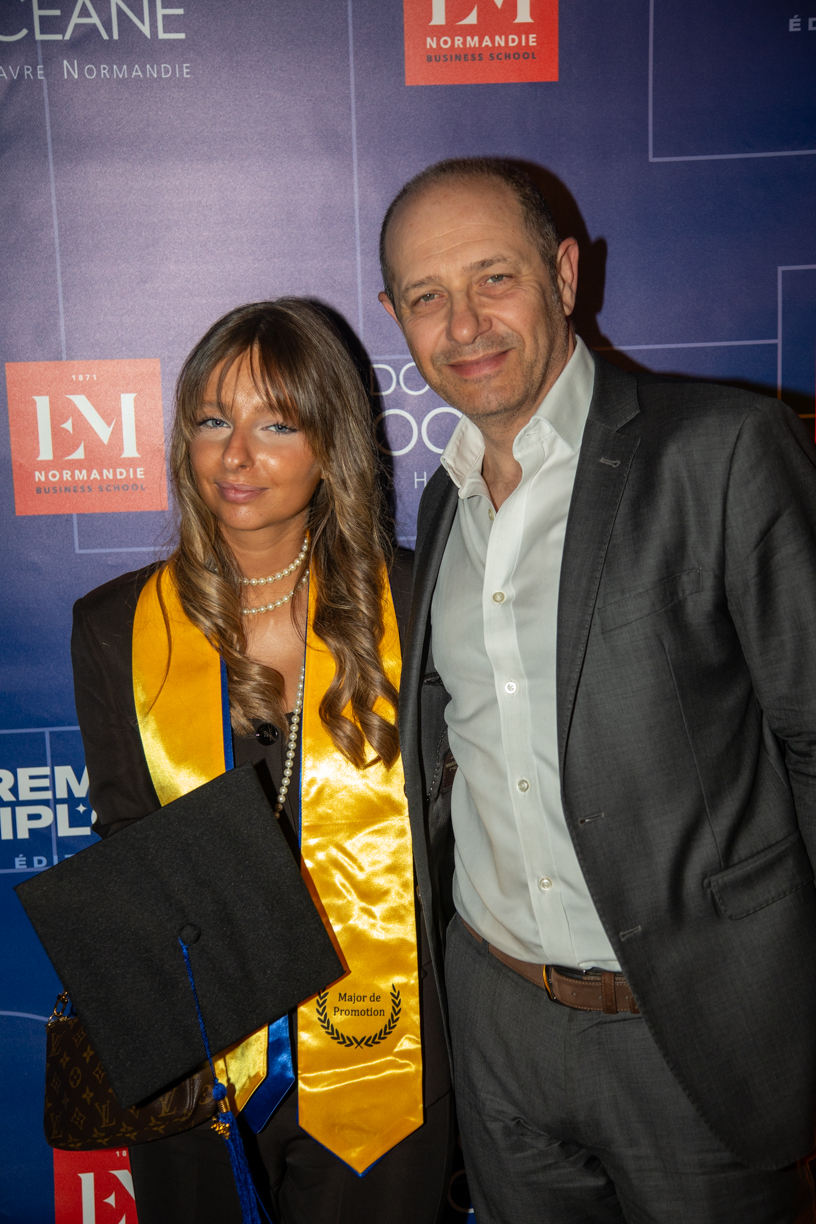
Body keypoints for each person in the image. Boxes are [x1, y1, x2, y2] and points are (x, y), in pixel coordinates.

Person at [378, 157, 816, 1223]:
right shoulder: (440, 507)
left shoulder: (720, 452)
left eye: (495, 278)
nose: (464, 324)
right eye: (427, 297)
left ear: (565, 275)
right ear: (395, 318)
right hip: (496, 1025)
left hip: (690, 1032)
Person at [70, 299, 453, 1224]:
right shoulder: (115, 626)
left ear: (331, 443)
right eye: (213, 421)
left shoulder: (421, 600)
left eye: (276, 424)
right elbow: (126, 837)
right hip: (198, 1066)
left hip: (389, 1052)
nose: (235, 456)